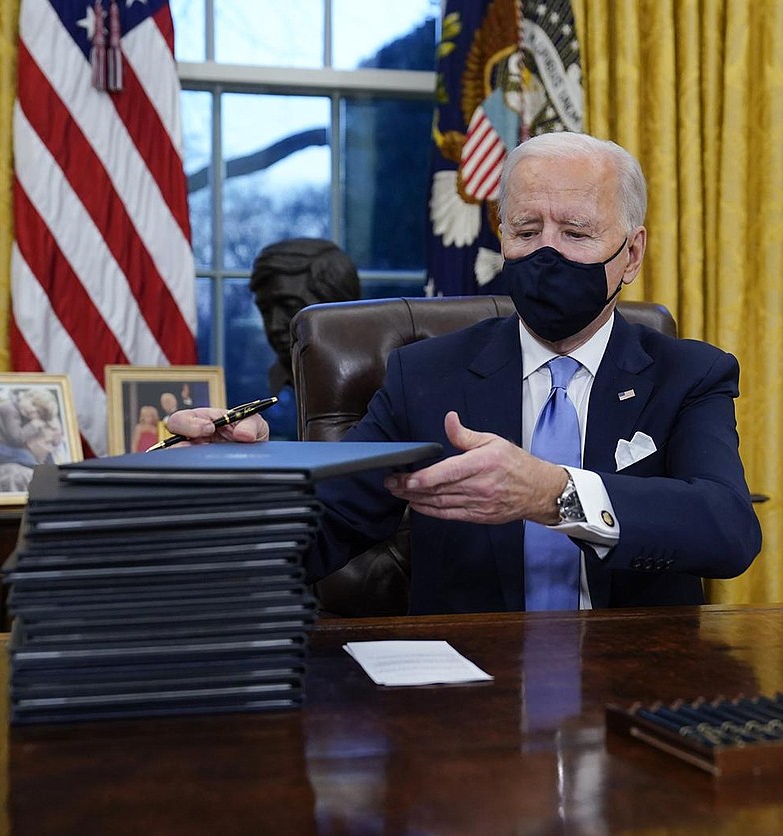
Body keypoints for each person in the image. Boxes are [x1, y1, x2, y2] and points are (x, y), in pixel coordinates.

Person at [167, 132, 762, 615]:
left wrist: (553, 494)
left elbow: (727, 531)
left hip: (634, 688)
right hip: (465, 697)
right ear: (501, 235)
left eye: (576, 233)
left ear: (631, 254)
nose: (545, 254)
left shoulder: (689, 374)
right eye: (526, 232)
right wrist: (245, 474)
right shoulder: (424, 376)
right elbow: (319, 532)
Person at [249, 238, 361, 439]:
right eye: (265, 311)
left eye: (290, 307)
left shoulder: (387, 388)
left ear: (340, 307)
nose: (274, 325)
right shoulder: (256, 392)